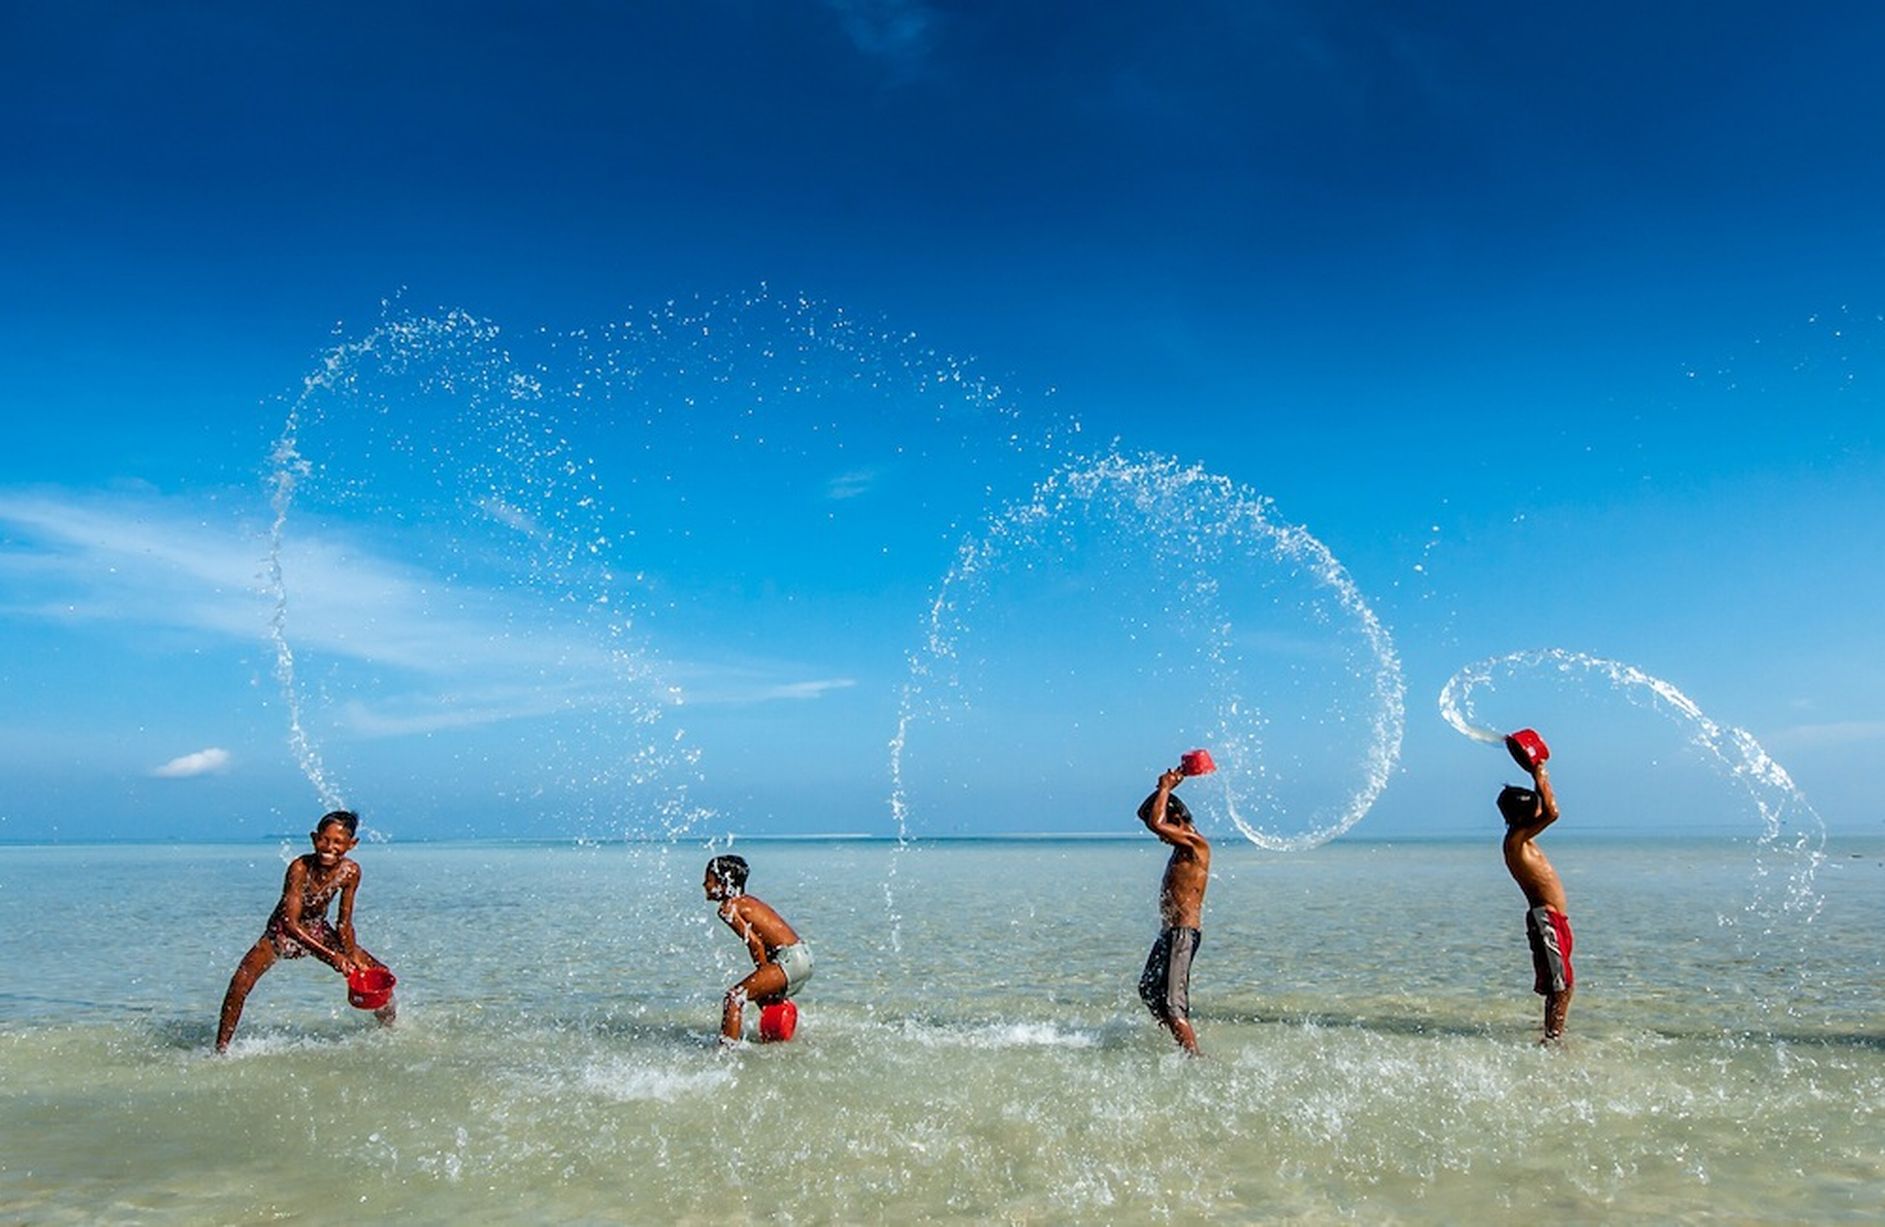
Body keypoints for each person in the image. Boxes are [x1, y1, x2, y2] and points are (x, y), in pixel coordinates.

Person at [216, 810, 395, 1052]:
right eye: (324, 839)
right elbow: (290, 924)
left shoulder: (350, 872)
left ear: (351, 845)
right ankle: (221, 1051)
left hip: (318, 929)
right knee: (239, 984)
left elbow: (344, 923)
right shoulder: (299, 868)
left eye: (338, 842)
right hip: (281, 933)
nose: (329, 847)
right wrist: (333, 956)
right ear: (314, 838)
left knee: (379, 973)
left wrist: (350, 956)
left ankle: (388, 1035)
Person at [1136, 766, 1210, 1055]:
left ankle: (1195, 1059)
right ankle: (1174, 1044)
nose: (1160, 837)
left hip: (1183, 934)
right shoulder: (1181, 849)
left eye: (1166, 829)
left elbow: (1156, 823)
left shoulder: (1195, 844)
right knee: (1148, 990)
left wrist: (1166, 786)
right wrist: (1163, 791)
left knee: (1172, 1002)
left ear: (1176, 819)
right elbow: (1154, 822)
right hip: (1169, 933)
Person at [1499, 755, 1572, 1041]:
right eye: (1535, 806)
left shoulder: (1523, 840)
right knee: (1561, 984)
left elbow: (1546, 810)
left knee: (1561, 980)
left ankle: (1551, 1032)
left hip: (1552, 919)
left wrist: (1537, 779)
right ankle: (1553, 1039)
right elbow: (1553, 813)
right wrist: (1539, 773)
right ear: (1523, 816)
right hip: (1545, 918)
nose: (1541, 806)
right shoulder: (1515, 841)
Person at [704, 855, 813, 1045]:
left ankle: (724, 1056)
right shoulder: (747, 901)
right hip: (803, 956)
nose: (704, 885)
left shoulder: (728, 907)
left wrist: (763, 972)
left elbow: (754, 944)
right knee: (756, 992)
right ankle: (777, 1036)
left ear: (722, 882)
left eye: (708, 879)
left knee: (734, 998)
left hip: (790, 959)